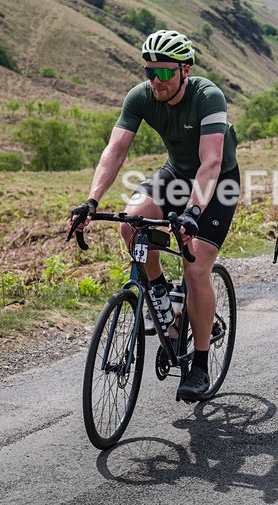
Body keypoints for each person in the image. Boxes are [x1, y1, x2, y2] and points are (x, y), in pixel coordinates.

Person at [70, 29, 240, 401]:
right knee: (132, 226)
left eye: (163, 73)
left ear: (185, 69)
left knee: (196, 268)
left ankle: (199, 364)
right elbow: (114, 151)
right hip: (175, 174)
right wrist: (92, 201)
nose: (155, 81)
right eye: (149, 72)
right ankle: (161, 295)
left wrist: (193, 211)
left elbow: (211, 162)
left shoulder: (207, 96)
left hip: (217, 184)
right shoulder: (141, 97)